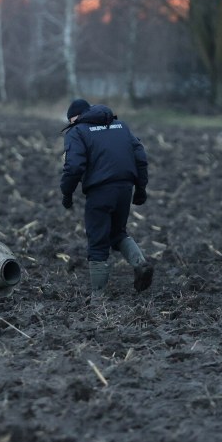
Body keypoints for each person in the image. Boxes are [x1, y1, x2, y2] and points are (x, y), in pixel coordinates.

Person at [59, 98, 154, 297]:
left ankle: (98, 297)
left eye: (72, 120)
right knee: (117, 232)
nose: (72, 123)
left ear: (76, 117)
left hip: (100, 191)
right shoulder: (121, 126)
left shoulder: (77, 132)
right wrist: (141, 188)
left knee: (97, 240)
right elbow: (141, 157)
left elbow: (74, 166)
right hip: (125, 187)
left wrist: (67, 193)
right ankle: (140, 263)